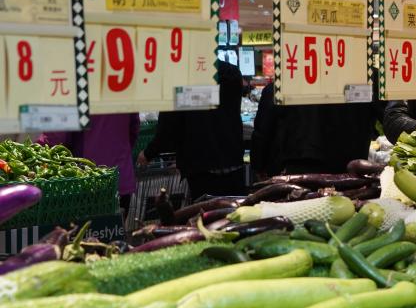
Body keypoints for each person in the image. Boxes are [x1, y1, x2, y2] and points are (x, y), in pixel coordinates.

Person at [139, 60, 246, 198]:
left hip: (202, 170)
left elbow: (168, 127)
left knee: (205, 211)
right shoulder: (233, 74)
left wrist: (148, 153)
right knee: (236, 210)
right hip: (234, 163)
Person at [251, 85, 383, 178]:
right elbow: (389, 118)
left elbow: (262, 133)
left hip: (299, 176)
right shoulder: (364, 81)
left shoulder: (283, 84)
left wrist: (259, 166)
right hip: (352, 174)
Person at [42, 114, 139, 215]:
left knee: (86, 225)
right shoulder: (125, 102)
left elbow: (56, 138)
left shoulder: (79, 103)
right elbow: (133, 129)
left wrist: (38, 145)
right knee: (116, 223)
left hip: (87, 184)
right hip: (120, 179)